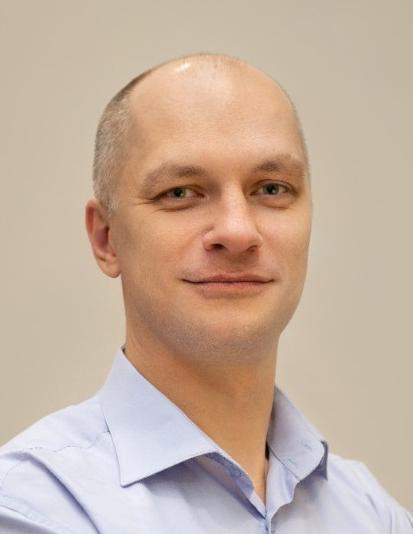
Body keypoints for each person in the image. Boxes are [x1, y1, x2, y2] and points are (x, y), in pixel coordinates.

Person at [0, 53, 411, 534]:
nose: (238, 232)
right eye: (180, 192)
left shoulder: (370, 513)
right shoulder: (33, 506)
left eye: (271, 188)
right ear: (106, 238)